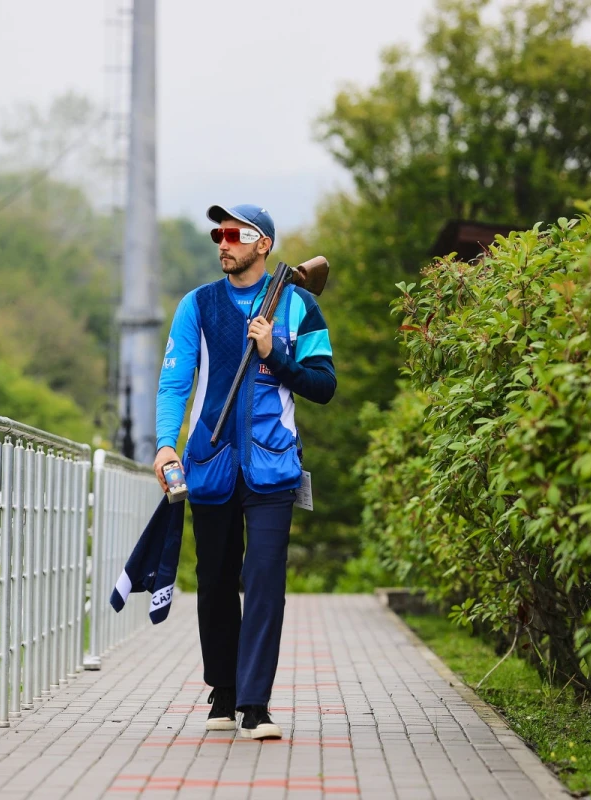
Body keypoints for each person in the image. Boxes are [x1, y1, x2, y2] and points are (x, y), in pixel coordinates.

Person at [153, 203, 336, 740]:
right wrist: (167, 446)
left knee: (263, 583)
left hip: (273, 463)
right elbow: (174, 384)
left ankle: (256, 703)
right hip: (209, 462)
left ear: (265, 245)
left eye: (237, 233)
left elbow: (324, 385)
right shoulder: (196, 305)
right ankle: (224, 691)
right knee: (213, 584)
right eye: (219, 232)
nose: (224, 241)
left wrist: (274, 353)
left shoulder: (298, 306)